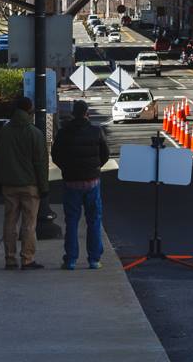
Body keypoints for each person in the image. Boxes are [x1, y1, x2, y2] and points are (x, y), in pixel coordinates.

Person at [51, 100, 111, 270]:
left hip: (71, 182)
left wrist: (66, 168)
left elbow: (56, 155)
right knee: (94, 220)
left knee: (71, 221)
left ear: (72, 114)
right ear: (87, 113)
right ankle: (94, 259)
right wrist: (95, 167)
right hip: (92, 181)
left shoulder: (64, 132)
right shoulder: (96, 131)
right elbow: (105, 154)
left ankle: (70, 259)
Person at [0, 96, 49, 270]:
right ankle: (27, 258)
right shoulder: (34, 133)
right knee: (29, 224)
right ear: (29, 111)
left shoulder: (4, 131)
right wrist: (44, 186)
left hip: (9, 184)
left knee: (9, 221)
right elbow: (40, 162)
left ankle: (10, 258)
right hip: (30, 184)